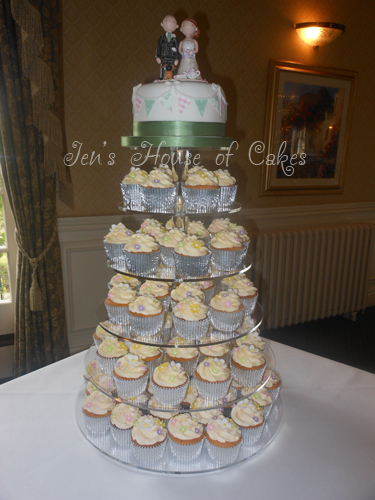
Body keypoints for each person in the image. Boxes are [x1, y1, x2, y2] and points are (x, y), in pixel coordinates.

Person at [155, 15, 180, 80]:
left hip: (172, 58)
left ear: (177, 26)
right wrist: (158, 56)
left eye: (173, 22)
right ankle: (162, 79)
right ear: (162, 24)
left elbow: (177, 49)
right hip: (163, 57)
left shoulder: (175, 39)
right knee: (163, 69)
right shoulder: (162, 37)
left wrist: (177, 58)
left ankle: (172, 79)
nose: (169, 23)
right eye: (166, 21)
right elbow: (159, 47)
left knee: (172, 70)